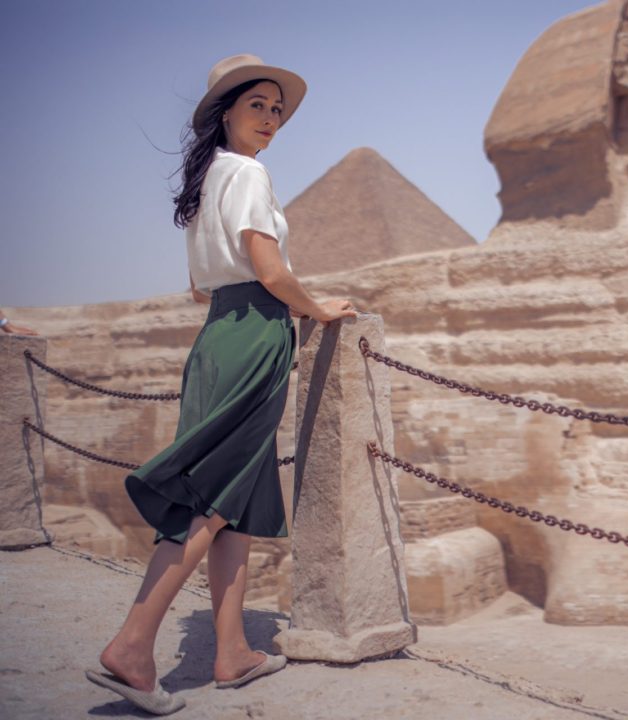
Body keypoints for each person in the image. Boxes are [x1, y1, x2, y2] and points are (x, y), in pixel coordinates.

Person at [85, 54, 358, 715]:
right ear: (226, 112)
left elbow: (199, 284)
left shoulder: (208, 179)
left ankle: (231, 651)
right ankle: (132, 644)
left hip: (218, 334)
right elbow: (267, 266)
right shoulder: (248, 173)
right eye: (257, 105)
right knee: (210, 499)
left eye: (277, 110)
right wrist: (316, 308)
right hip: (256, 336)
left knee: (234, 500)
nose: (270, 119)